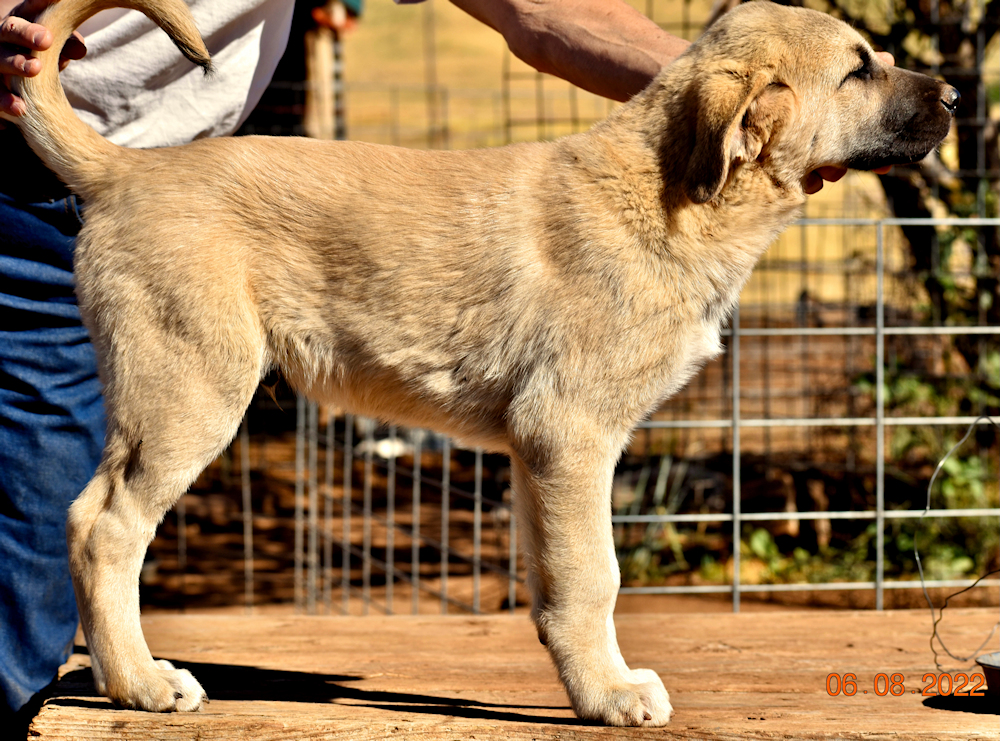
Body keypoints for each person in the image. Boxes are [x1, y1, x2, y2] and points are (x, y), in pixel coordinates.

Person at [0, 0, 855, 729]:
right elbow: (563, 434)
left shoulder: (666, 202)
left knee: (46, 514)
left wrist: (724, 85)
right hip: (177, 211)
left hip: (175, 161)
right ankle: (589, 660)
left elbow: (544, 10)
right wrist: (593, 653)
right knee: (136, 473)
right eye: (861, 76)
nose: (896, 89)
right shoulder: (618, 236)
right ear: (757, 123)